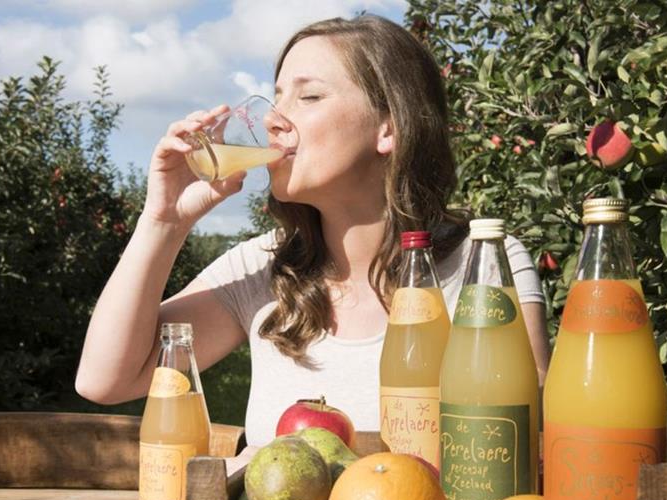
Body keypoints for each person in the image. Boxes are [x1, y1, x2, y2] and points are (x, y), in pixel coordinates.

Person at [75, 15, 550, 448]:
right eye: (277, 94)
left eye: (308, 96)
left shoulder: (484, 264)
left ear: (389, 128)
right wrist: (163, 222)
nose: (272, 119)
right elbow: (107, 380)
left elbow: (521, 440)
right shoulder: (263, 267)